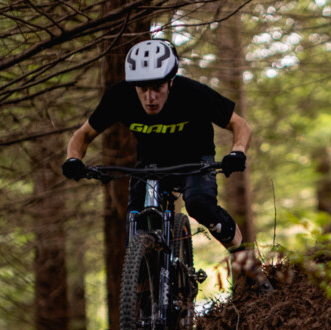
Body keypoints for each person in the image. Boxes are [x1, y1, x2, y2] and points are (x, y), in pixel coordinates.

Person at [62, 38, 270, 292]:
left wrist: (237, 151)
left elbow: (239, 124)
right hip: (150, 165)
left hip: (195, 160)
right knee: (136, 220)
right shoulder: (120, 96)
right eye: (142, 89)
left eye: (157, 87)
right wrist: (73, 159)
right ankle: (141, 301)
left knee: (200, 205)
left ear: (171, 80)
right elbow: (82, 134)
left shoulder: (193, 93)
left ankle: (249, 265)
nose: (149, 97)